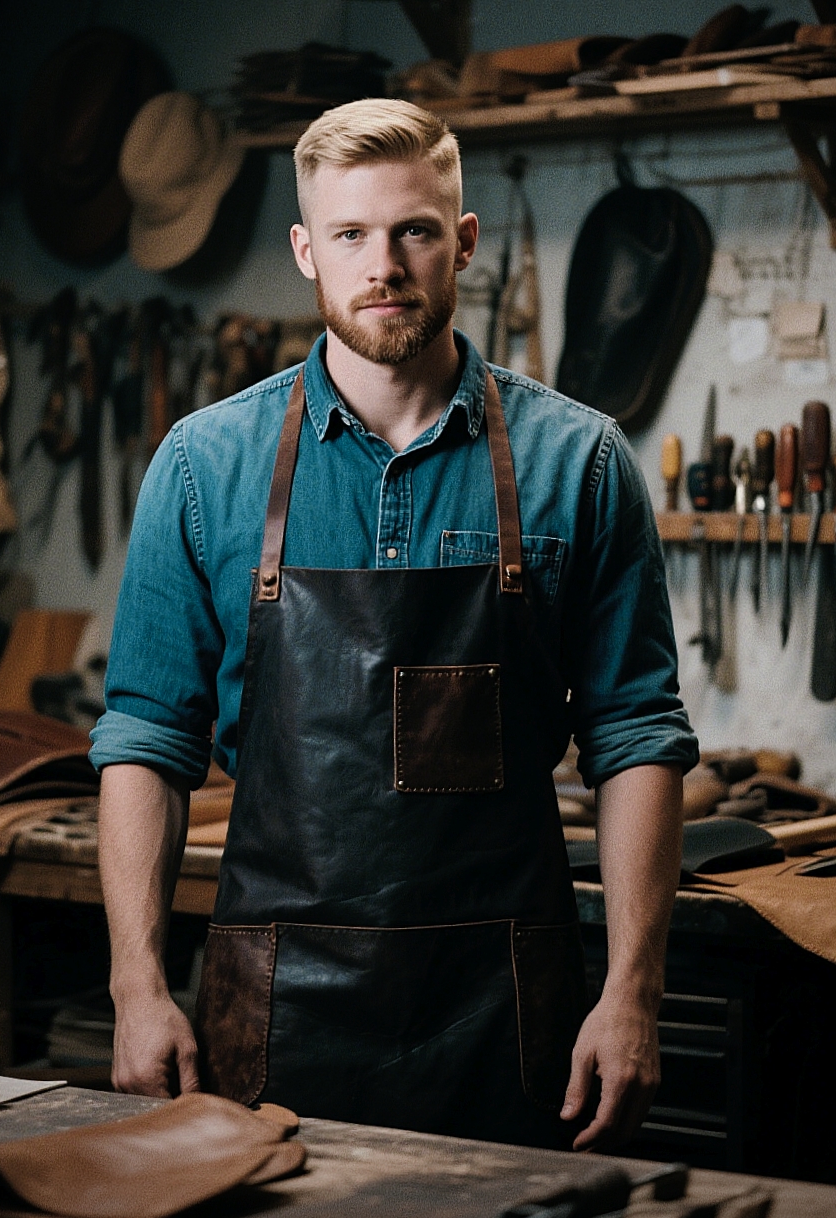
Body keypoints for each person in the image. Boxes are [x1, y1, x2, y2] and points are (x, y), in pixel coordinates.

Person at [91, 98, 698, 1151]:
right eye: (350, 235)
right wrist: (136, 988)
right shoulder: (202, 469)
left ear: (462, 239)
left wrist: (633, 992)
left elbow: (637, 736)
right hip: (273, 1009)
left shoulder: (582, 464)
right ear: (305, 251)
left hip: (506, 1010)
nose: (385, 265)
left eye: (414, 230)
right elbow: (147, 740)